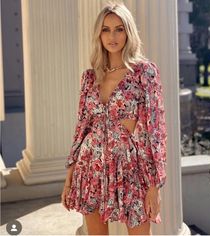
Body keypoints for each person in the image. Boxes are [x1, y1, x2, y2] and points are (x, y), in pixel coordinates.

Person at [61, 1, 167, 235]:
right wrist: (69, 178)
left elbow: (155, 131)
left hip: (131, 168)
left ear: (129, 32)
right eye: (106, 29)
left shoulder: (144, 72)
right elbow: (82, 128)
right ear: (99, 34)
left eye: (119, 28)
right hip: (90, 166)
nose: (113, 36)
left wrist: (154, 185)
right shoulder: (90, 77)